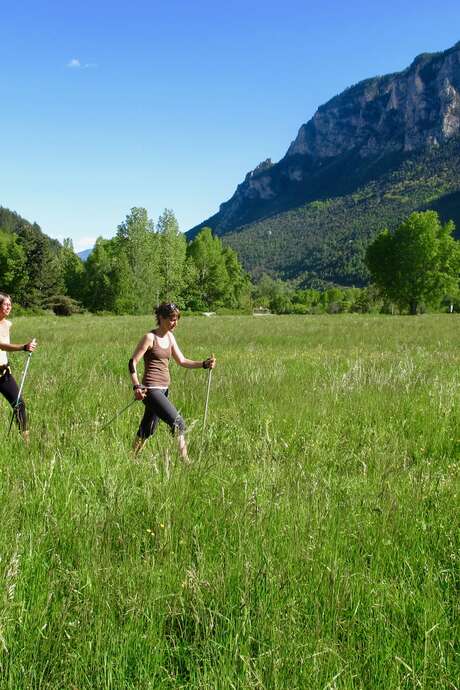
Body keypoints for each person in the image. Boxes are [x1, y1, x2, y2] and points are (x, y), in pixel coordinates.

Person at [129, 302, 216, 461]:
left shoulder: (170, 337)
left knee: (148, 428)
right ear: (161, 318)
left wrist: (203, 364)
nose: (175, 323)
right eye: (172, 319)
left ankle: (130, 459)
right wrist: (136, 386)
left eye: (177, 319)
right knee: (178, 424)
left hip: (164, 389)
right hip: (151, 390)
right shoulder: (150, 337)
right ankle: (186, 463)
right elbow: (132, 362)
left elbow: (182, 361)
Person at [0, 292, 37, 441]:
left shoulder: (8, 324)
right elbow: (1, 345)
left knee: (19, 404)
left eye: (10, 304)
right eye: (6, 304)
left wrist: (28, 346)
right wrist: (23, 347)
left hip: (3, 373)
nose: (9, 307)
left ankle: (26, 443)